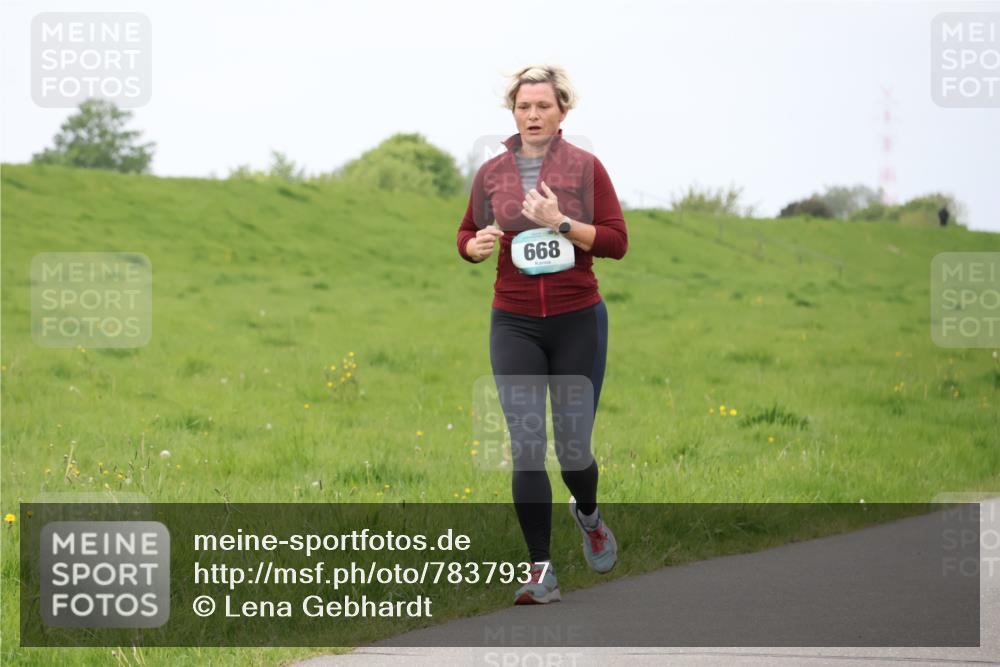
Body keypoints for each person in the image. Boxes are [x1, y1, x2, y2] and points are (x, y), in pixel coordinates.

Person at [456, 65, 629, 605]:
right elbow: (465, 233)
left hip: (579, 319)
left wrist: (560, 223)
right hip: (514, 321)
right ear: (514, 112)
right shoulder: (492, 173)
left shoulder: (585, 168)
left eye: (543, 107)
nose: (533, 115)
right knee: (527, 447)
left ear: (562, 113)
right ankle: (540, 571)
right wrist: (473, 248)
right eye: (524, 107)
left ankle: (590, 516)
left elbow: (617, 242)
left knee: (573, 449)